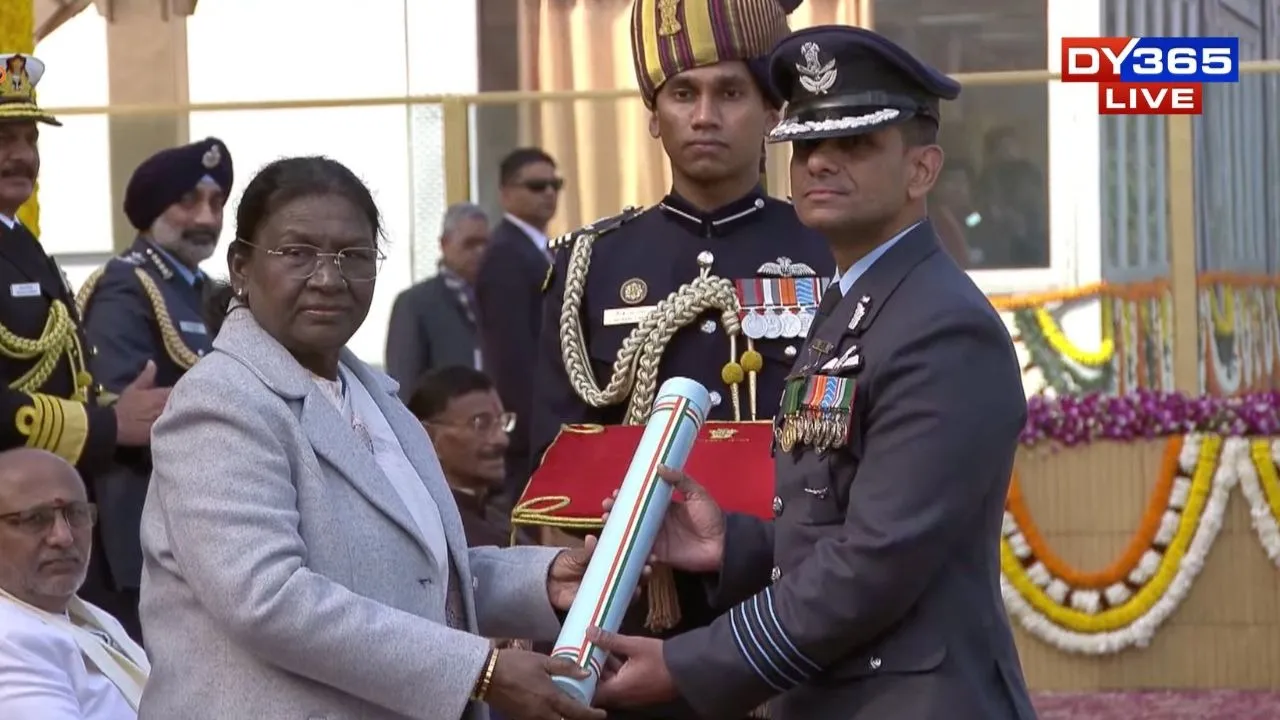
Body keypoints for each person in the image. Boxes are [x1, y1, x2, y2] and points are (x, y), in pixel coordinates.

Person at [585, 26, 1038, 720]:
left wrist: (688, 664)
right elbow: (834, 518)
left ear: (922, 170)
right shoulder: (857, 300)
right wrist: (731, 545)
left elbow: (876, 562)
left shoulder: (944, 327)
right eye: (807, 146)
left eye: (855, 145)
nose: (821, 164)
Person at [136, 156, 605, 720]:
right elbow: (269, 600)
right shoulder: (222, 400)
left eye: (353, 256)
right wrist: (478, 670)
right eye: (298, 253)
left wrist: (542, 579)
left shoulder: (375, 397)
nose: (329, 278)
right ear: (240, 266)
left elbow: (408, 574)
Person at [526, 2, 827, 717]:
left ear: (771, 111)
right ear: (652, 115)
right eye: (683, 94)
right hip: (632, 605)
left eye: (730, 93)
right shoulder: (591, 262)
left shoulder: (826, 250)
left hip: (788, 598)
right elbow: (554, 448)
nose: (705, 115)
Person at [0, 53, 170, 638]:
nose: (21, 154)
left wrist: (121, 416)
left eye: (27, 137)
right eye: (2, 138)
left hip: (49, 517)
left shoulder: (19, 240)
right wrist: (106, 427)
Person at [75, 137, 233, 643]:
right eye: (189, 202)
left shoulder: (206, 292)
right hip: (144, 520)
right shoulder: (128, 284)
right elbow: (121, 406)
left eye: (216, 203)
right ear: (151, 211)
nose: (207, 217)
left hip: (205, 514)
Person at [0, 448, 149, 720]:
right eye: (36, 518)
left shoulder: (81, 614)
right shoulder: (9, 640)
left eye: (76, 513)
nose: (63, 537)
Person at [476, 147, 561, 505]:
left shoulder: (541, 250)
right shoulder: (506, 255)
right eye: (537, 185)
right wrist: (533, 431)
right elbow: (511, 354)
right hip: (530, 429)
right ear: (506, 193)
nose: (549, 194)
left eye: (555, 184)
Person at [406, 365, 521, 549]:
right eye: (480, 423)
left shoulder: (503, 518)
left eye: (503, 421)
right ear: (427, 437)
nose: (502, 439)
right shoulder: (433, 535)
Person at [385, 202, 490, 397]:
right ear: (444, 244)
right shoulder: (415, 303)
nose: (479, 252)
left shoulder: (498, 299)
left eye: (485, 244)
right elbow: (403, 382)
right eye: (470, 244)